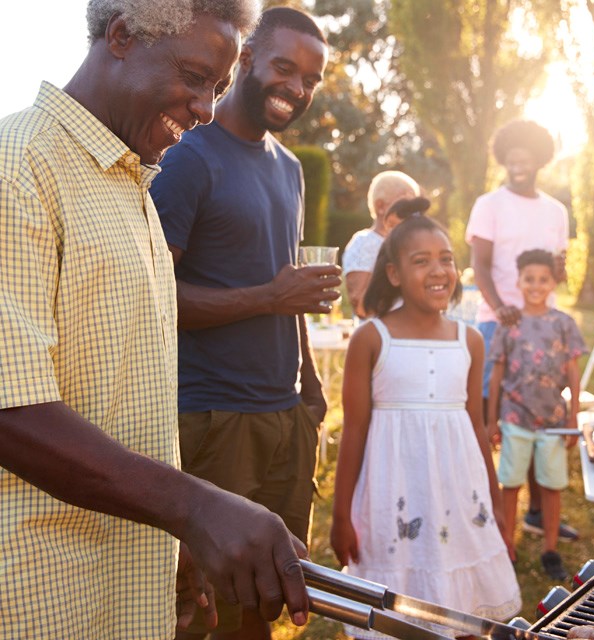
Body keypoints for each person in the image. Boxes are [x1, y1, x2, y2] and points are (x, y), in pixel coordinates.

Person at [0, 1, 314, 638]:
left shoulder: (135, 183)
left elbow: (127, 393)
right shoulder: (19, 168)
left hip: (127, 575)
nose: (205, 107)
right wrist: (194, 507)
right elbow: (13, 412)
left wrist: (173, 535)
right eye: (195, 76)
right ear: (121, 36)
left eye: (219, 88)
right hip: (45, 589)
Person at [149, 7, 337, 639]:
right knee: (202, 604)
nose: (297, 88)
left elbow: (288, 289)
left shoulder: (290, 168)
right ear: (247, 59)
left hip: (285, 419)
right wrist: (268, 297)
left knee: (266, 600)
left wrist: (309, 390)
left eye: (311, 79)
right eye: (285, 67)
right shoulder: (187, 156)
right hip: (213, 419)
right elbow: (153, 299)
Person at [331, 207, 521, 638]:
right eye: (422, 261)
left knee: (468, 616)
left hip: (459, 499)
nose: (439, 271)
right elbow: (355, 432)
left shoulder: (469, 340)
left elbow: (476, 429)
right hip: (393, 499)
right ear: (394, 274)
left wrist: (495, 506)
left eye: (447, 258)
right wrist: (341, 514)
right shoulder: (371, 338)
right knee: (394, 619)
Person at [466, 119, 578, 541]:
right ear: (503, 157)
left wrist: (557, 276)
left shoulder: (555, 211)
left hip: (541, 330)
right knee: (490, 417)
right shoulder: (489, 204)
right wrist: (501, 307)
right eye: (511, 156)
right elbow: (479, 263)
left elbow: (555, 269)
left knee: (539, 416)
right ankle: (485, 510)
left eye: (525, 156)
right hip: (497, 324)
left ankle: (534, 512)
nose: (518, 163)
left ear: (538, 158)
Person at [486, 249, 586, 580]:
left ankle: (551, 549)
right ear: (518, 281)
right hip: (515, 417)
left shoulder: (563, 323)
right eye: (529, 278)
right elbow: (496, 373)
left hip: (554, 420)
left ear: (553, 282)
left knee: (552, 484)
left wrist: (573, 417)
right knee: (511, 482)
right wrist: (491, 419)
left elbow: (573, 374)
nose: (536, 285)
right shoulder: (509, 323)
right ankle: (506, 546)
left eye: (543, 279)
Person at [342, 170, 420, 319]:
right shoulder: (364, 242)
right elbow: (360, 304)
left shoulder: (412, 244)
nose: (413, 214)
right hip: (380, 335)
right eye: (405, 206)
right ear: (381, 206)